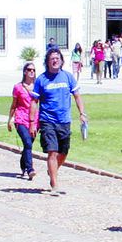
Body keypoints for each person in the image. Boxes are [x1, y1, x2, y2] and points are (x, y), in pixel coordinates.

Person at [32, 46, 88, 195]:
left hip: (64, 120)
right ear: (47, 62)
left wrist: (82, 113)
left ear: (61, 61)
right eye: (52, 59)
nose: (55, 61)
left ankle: (53, 170)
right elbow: (34, 102)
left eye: (57, 58)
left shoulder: (68, 77)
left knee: (64, 152)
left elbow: (77, 96)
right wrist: (32, 122)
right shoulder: (41, 80)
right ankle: (54, 185)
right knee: (52, 151)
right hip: (47, 120)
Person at [8, 63, 40, 181]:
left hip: (35, 120)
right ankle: (30, 169)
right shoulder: (18, 87)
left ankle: (23, 165)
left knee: (28, 144)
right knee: (27, 142)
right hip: (21, 118)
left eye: (33, 70)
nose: (32, 72)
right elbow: (14, 105)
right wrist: (10, 119)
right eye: (29, 69)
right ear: (25, 72)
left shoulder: (38, 86)